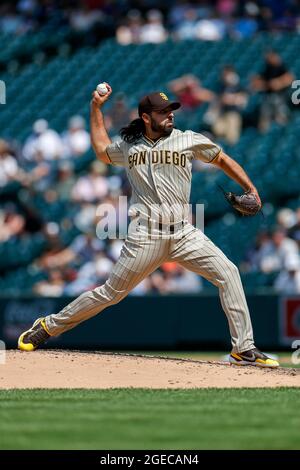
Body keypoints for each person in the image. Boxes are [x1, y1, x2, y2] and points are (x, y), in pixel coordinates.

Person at [18, 84, 279, 368]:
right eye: (163, 111)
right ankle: (48, 326)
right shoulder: (130, 146)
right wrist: (96, 109)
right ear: (146, 117)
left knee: (228, 272)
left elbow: (223, 159)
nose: (170, 115)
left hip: (183, 232)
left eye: (171, 110)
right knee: (110, 294)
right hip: (146, 235)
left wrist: (250, 188)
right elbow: (102, 150)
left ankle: (243, 348)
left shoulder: (187, 139)